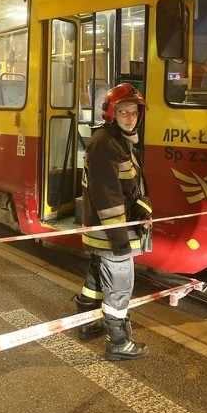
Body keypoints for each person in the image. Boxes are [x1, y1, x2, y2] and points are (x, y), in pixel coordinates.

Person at [72, 82, 153, 361]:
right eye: (124, 112)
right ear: (111, 114)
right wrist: (120, 240)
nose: (130, 117)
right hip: (112, 234)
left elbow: (128, 189)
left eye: (134, 112)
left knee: (96, 279)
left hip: (103, 233)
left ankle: (86, 323)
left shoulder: (119, 142)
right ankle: (118, 342)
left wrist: (142, 211)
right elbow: (108, 199)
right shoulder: (107, 145)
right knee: (119, 288)